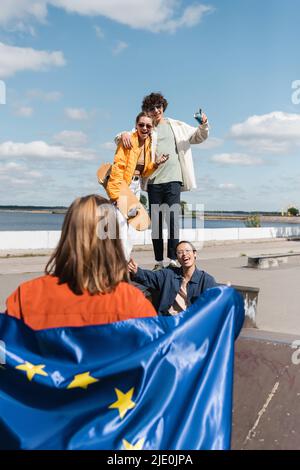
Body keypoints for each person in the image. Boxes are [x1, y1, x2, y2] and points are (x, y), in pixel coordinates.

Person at [5, 195, 156, 330]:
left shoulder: (26, 297)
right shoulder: (133, 304)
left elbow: (8, 353)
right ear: (114, 242)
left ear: (67, 236)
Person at [116, 92, 209, 271]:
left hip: (174, 179)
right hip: (153, 181)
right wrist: (123, 135)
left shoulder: (176, 125)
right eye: (152, 108)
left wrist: (204, 124)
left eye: (159, 107)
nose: (156, 110)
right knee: (157, 223)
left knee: (172, 219)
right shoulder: (147, 128)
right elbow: (127, 136)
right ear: (147, 111)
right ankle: (159, 261)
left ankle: (173, 260)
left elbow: (198, 136)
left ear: (163, 107)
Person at [107, 111, 168, 260]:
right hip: (123, 187)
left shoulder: (148, 144)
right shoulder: (127, 140)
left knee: (130, 227)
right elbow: (118, 168)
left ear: (152, 128)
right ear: (136, 126)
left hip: (136, 187)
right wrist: (115, 195)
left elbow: (145, 171)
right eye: (141, 125)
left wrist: (155, 164)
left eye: (148, 125)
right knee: (121, 225)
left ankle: (125, 261)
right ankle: (119, 262)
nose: (145, 128)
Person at [128, 241, 217, 315]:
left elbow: (214, 308)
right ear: (177, 258)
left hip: (191, 325)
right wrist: (136, 271)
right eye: (180, 252)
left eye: (187, 251)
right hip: (168, 323)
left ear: (195, 254)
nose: (184, 254)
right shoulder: (169, 274)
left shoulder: (206, 280)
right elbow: (149, 277)